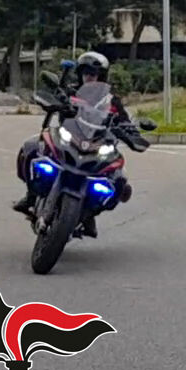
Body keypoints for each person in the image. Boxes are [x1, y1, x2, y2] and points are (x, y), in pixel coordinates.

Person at [12, 52, 133, 238]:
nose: (89, 76)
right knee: (31, 147)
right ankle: (31, 195)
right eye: (86, 71)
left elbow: (124, 120)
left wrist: (131, 129)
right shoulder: (69, 91)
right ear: (79, 73)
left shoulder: (110, 100)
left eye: (94, 72)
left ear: (102, 75)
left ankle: (89, 214)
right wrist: (54, 99)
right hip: (68, 137)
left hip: (96, 143)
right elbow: (52, 96)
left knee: (118, 180)